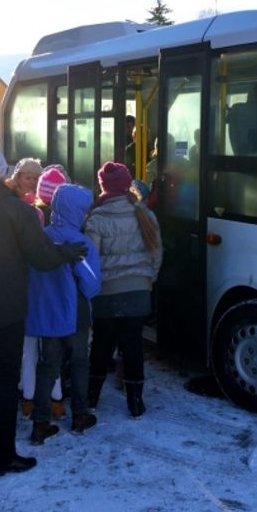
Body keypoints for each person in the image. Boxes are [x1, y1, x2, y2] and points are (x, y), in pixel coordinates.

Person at [0, 132, 87, 477]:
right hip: (6, 306)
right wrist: (67, 252)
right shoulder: (15, 210)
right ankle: (2, 454)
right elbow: (42, 257)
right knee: (5, 378)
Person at [86, 161, 163, 419]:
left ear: (103, 186)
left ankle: (92, 398)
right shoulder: (145, 214)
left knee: (101, 346)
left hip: (106, 293)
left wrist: (93, 288)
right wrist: (146, 279)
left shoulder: (97, 218)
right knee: (133, 346)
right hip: (138, 290)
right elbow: (156, 253)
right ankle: (136, 402)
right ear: (127, 183)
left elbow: (91, 261)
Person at [27, 183, 101, 445]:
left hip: (47, 313)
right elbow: (91, 284)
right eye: (84, 210)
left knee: (48, 365)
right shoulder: (80, 242)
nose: (85, 215)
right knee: (80, 361)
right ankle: (80, 416)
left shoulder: (41, 237)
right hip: (75, 313)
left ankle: (40, 422)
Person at [20, 163, 69, 419]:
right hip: (55, 297)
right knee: (53, 352)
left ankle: (28, 400)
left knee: (28, 350)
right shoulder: (67, 223)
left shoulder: (30, 215)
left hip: (29, 293)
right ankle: (56, 400)